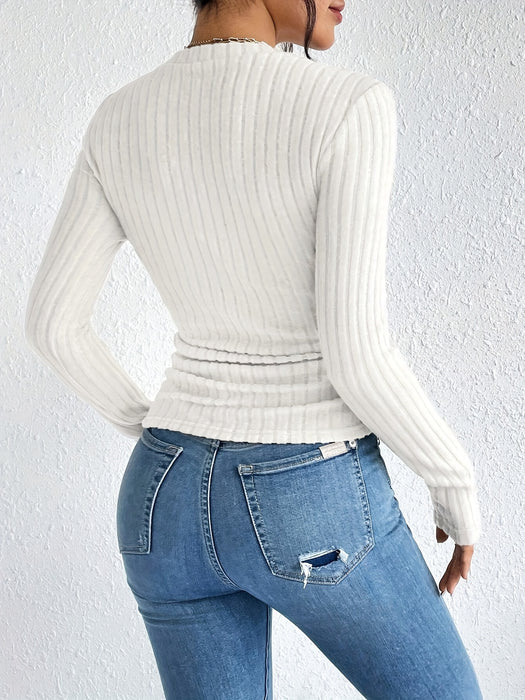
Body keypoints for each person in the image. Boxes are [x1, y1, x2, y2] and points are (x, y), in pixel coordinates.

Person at [24, 1, 484, 698]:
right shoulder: (348, 105)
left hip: (161, 494)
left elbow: (53, 324)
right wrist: (452, 482)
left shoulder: (117, 117)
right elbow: (356, 355)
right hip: (308, 492)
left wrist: (155, 425)